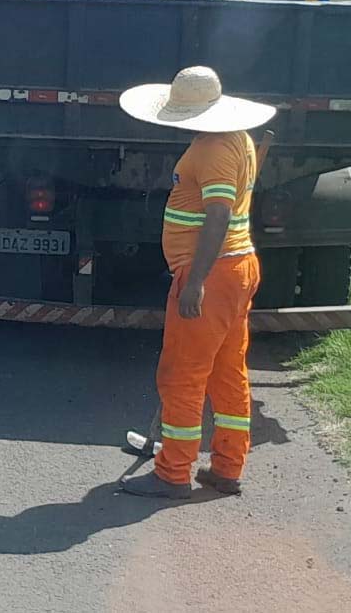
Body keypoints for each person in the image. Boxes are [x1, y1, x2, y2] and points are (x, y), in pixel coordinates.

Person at [115, 67, 277, 498]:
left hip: (212, 272)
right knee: (227, 372)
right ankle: (227, 467)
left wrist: (196, 282)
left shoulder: (213, 150)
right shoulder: (237, 138)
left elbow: (219, 214)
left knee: (182, 374)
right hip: (237, 267)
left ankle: (172, 473)